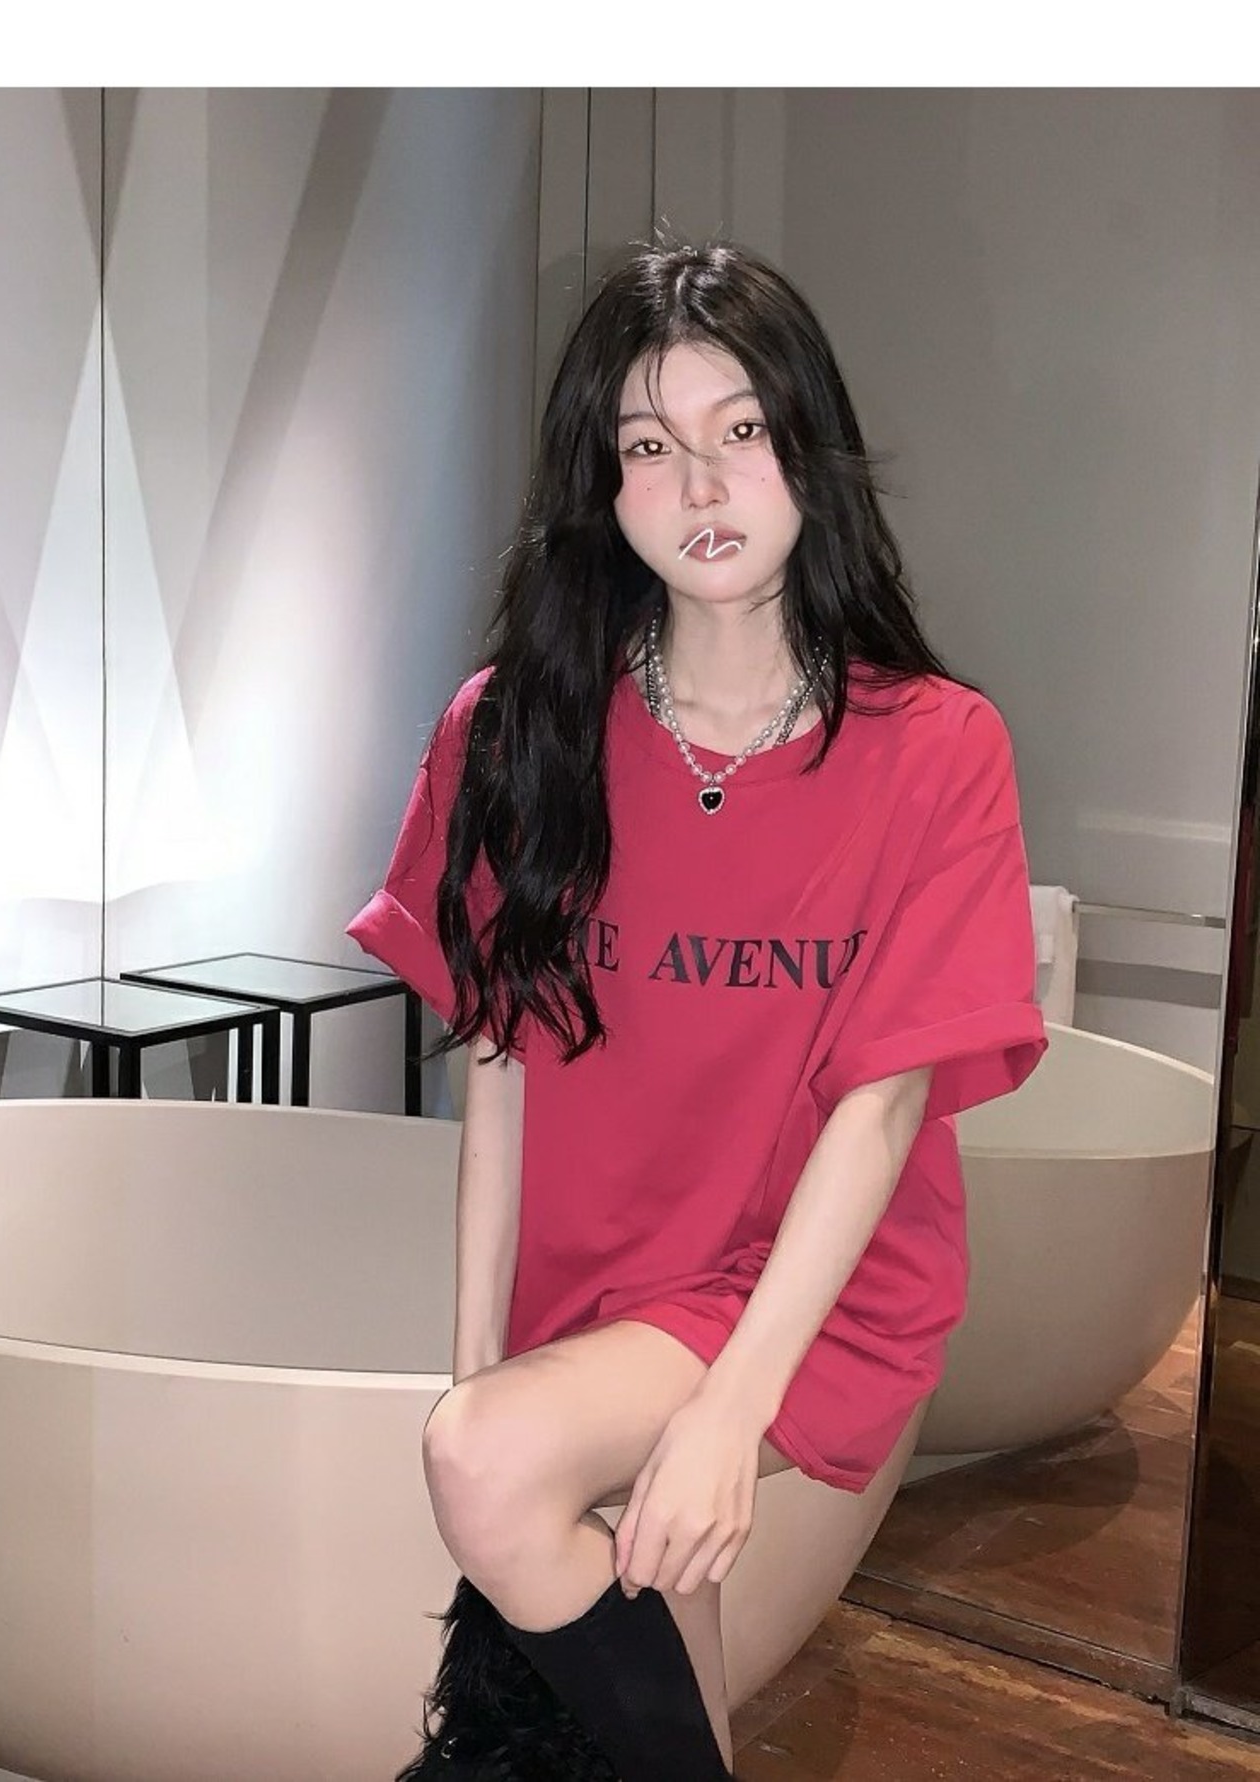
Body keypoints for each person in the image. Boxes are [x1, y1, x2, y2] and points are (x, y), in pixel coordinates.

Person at [346, 240, 1048, 1781]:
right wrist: (479, 1358)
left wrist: (733, 1403)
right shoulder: (513, 731)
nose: (704, 483)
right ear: (602, 485)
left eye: (743, 429)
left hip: (812, 1276)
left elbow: (884, 1104)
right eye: (650, 447)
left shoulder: (936, 748)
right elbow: (499, 1068)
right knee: (652, 1629)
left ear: (811, 447)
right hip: (600, 1269)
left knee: (489, 1461)